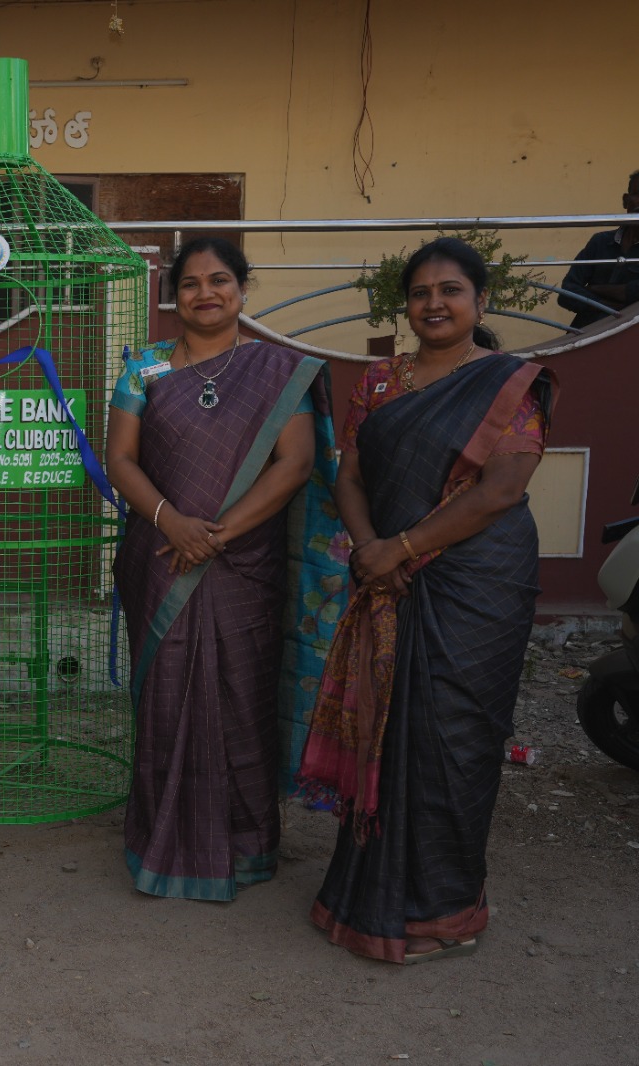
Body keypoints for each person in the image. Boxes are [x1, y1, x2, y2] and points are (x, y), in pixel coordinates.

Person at [300, 237, 554, 964]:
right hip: (388, 574)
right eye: (420, 293)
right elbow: (347, 476)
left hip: (478, 580)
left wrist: (400, 550)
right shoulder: (379, 383)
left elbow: (503, 488)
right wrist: (370, 549)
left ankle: (445, 908)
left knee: (456, 738)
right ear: (405, 305)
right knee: (385, 725)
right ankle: (366, 895)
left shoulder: (510, 382)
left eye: (451, 291)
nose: (434, 304)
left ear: (481, 302)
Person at [104, 237, 344, 901]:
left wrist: (214, 535)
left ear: (242, 288)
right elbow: (120, 458)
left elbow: (295, 463)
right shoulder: (144, 369)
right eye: (190, 284)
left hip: (245, 562)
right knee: (164, 697)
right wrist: (172, 522)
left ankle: (243, 844)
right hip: (158, 554)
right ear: (172, 295)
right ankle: (161, 844)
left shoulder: (276, 370)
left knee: (243, 695)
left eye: (219, 280)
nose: (204, 293)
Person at [556, 169, 639, 329]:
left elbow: (635, 292)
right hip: (586, 334)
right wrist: (608, 306)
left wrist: (594, 289)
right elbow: (566, 293)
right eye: (638, 194)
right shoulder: (600, 241)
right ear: (625, 200)